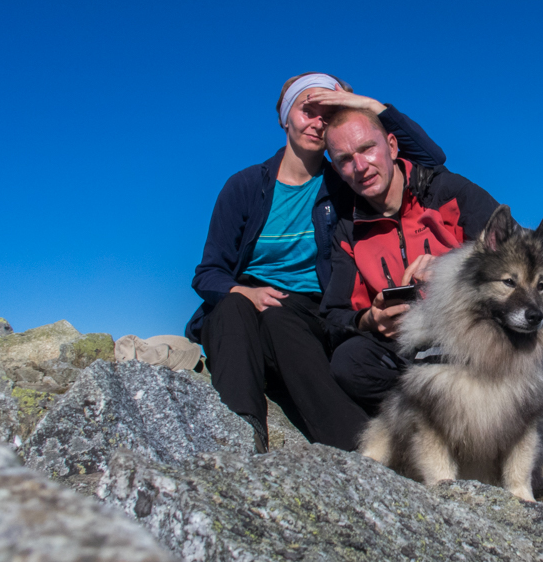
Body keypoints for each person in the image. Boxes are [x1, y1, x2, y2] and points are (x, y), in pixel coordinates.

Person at [186, 73, 446, 453]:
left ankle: (361, 451)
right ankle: (242, 436)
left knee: (280, 316)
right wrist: (245, 291)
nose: (318, 122)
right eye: (308, 109)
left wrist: (366, 106)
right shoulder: (245, 187)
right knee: (230, 307)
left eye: (330, 113)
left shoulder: (343, 184)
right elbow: (208, 273)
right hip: (242, 308)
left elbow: (429, 160)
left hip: (308, 314)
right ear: (284, 118)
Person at [318, 105, 501, 414]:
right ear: (337, 171)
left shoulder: (448, 191)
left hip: (473, 335)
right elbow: (334, 315)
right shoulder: (347, 231)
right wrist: (370, 320)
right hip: (407, 349)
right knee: (350, 361)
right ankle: (436, 420)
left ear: (391, 146)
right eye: (346, 160)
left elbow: (518, 253)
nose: (360, 166)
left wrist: (452, 268)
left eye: (367, 149)